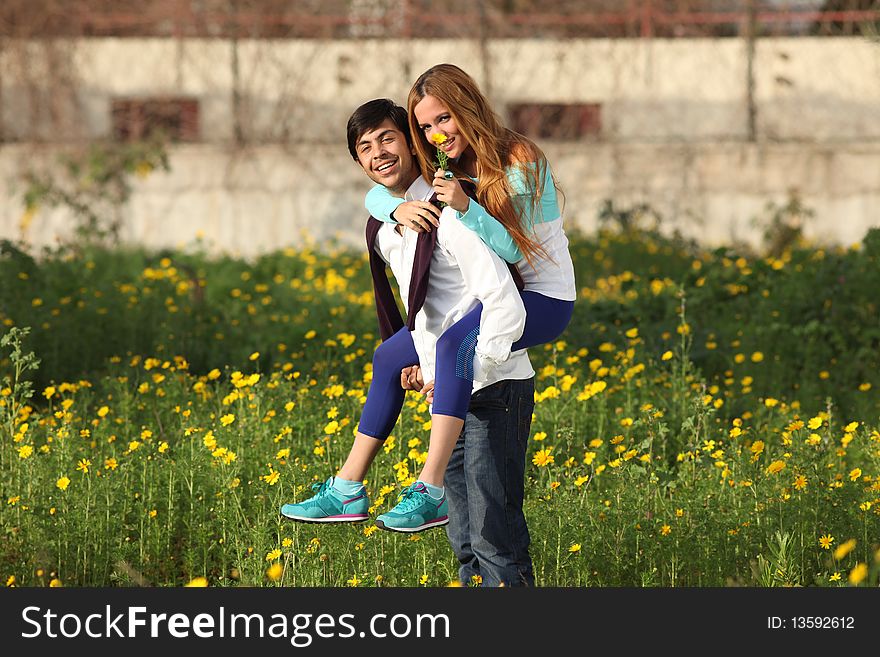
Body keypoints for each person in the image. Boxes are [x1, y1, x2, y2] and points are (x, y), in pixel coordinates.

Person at [281, 99, 537, 585]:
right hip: (449, 390)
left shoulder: (450, 207)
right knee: (465, 547)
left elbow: (499, 292)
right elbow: (411, 306)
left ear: (413, 144)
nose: (377, 152)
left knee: (494, 543)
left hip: (492, 382)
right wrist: (421, 359)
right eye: (364, 146)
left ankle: (424, 486)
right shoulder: (386, 220)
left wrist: (450, 361)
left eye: (387, 138)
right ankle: (348, 486)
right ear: (357, 162)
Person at [359, 63, 577, 516]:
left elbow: (518, 253)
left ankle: (430, 487)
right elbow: (379, 192)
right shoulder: (447, 162)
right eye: (425, 126)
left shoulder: (520, 161)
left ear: (467, 107)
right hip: (496, 294)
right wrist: (395, 210)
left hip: (543, 298)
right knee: (389, 357)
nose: (436, 134)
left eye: (443, 119)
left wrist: (464, 207)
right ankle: (347, 487)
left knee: (455, 343)